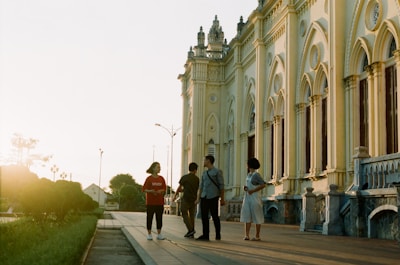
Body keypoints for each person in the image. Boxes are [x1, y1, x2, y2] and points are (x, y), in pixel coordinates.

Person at [195, 155, 225, 241]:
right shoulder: (204, 173)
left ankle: (218, 234)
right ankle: (205, 235)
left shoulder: (217, 172)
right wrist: (198, 198)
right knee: (204, 216)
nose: (203, 162)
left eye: (204, 160)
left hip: (213, 197)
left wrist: (222, 198)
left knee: (215, 216)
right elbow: (201, 187)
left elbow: (221, 186)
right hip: (204, 196)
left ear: (208, 161)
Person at [240, 157, 266, 241]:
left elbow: (263, 184)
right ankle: (246, 235)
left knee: (257, 216)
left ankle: (257, 235)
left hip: (255, 198)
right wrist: (246, 188)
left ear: (250, 165)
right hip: (247, 197)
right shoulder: (249, 175)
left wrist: (253, 190)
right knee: (247, 215)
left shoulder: (256, 175)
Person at [172, 162, 199, 238]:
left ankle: (190, 230)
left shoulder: (185, 177)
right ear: (195, 170)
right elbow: (196, 189)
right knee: (192, 216)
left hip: (186, 198)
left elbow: (179, 188)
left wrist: (175, 196)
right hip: (193, 199)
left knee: (183, 212)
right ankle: (192, 233)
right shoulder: (197, 179)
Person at [142, 161, 166, 240]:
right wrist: (151, 191)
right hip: (150, 202)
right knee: (149, 218)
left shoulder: (161, 178)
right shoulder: (149, 179)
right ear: (153, 168)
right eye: (158, 167)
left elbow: (164, 189)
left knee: (159, 218)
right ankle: (149, 234)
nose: (159, 168)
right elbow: (144, 189)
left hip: (159, 202)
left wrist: (160, 191)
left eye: (160, 167)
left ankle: (159, 234)